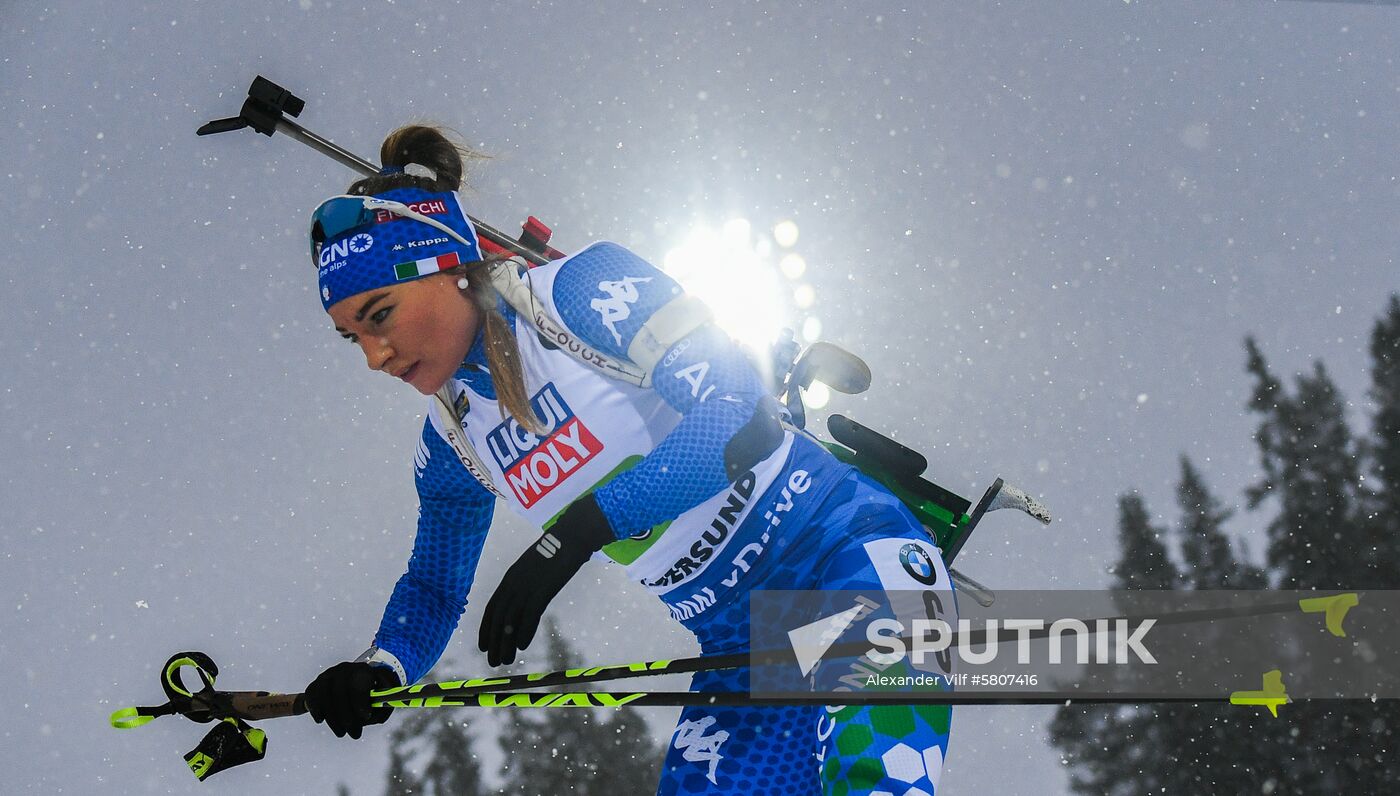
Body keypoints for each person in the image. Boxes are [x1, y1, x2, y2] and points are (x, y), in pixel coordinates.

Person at [300, 124, 955, 795]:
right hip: (742, 651)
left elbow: (740, 412)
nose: (374, 356)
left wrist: (579, 532)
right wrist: (381, 666)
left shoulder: (578, 292)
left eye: (379, 315)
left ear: (446, 268)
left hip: (845, 561)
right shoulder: (453, 438)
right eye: (352, 337)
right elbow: (435, 586)